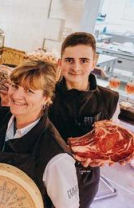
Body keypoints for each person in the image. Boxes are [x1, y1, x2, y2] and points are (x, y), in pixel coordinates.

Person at [0, 60, 80, 208]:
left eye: (29, 91)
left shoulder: (56, 156)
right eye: (15, 86)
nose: (17, 95)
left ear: (46, 98)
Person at [48, 32, 121, 208]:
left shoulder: (109, 99)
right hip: (46, 175)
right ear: (60, 62)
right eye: (69, 60)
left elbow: (110, 145)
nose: (76, 67)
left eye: (84, 60)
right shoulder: (46, 94)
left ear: (94, 63)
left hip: (84, 181)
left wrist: (105, 157)